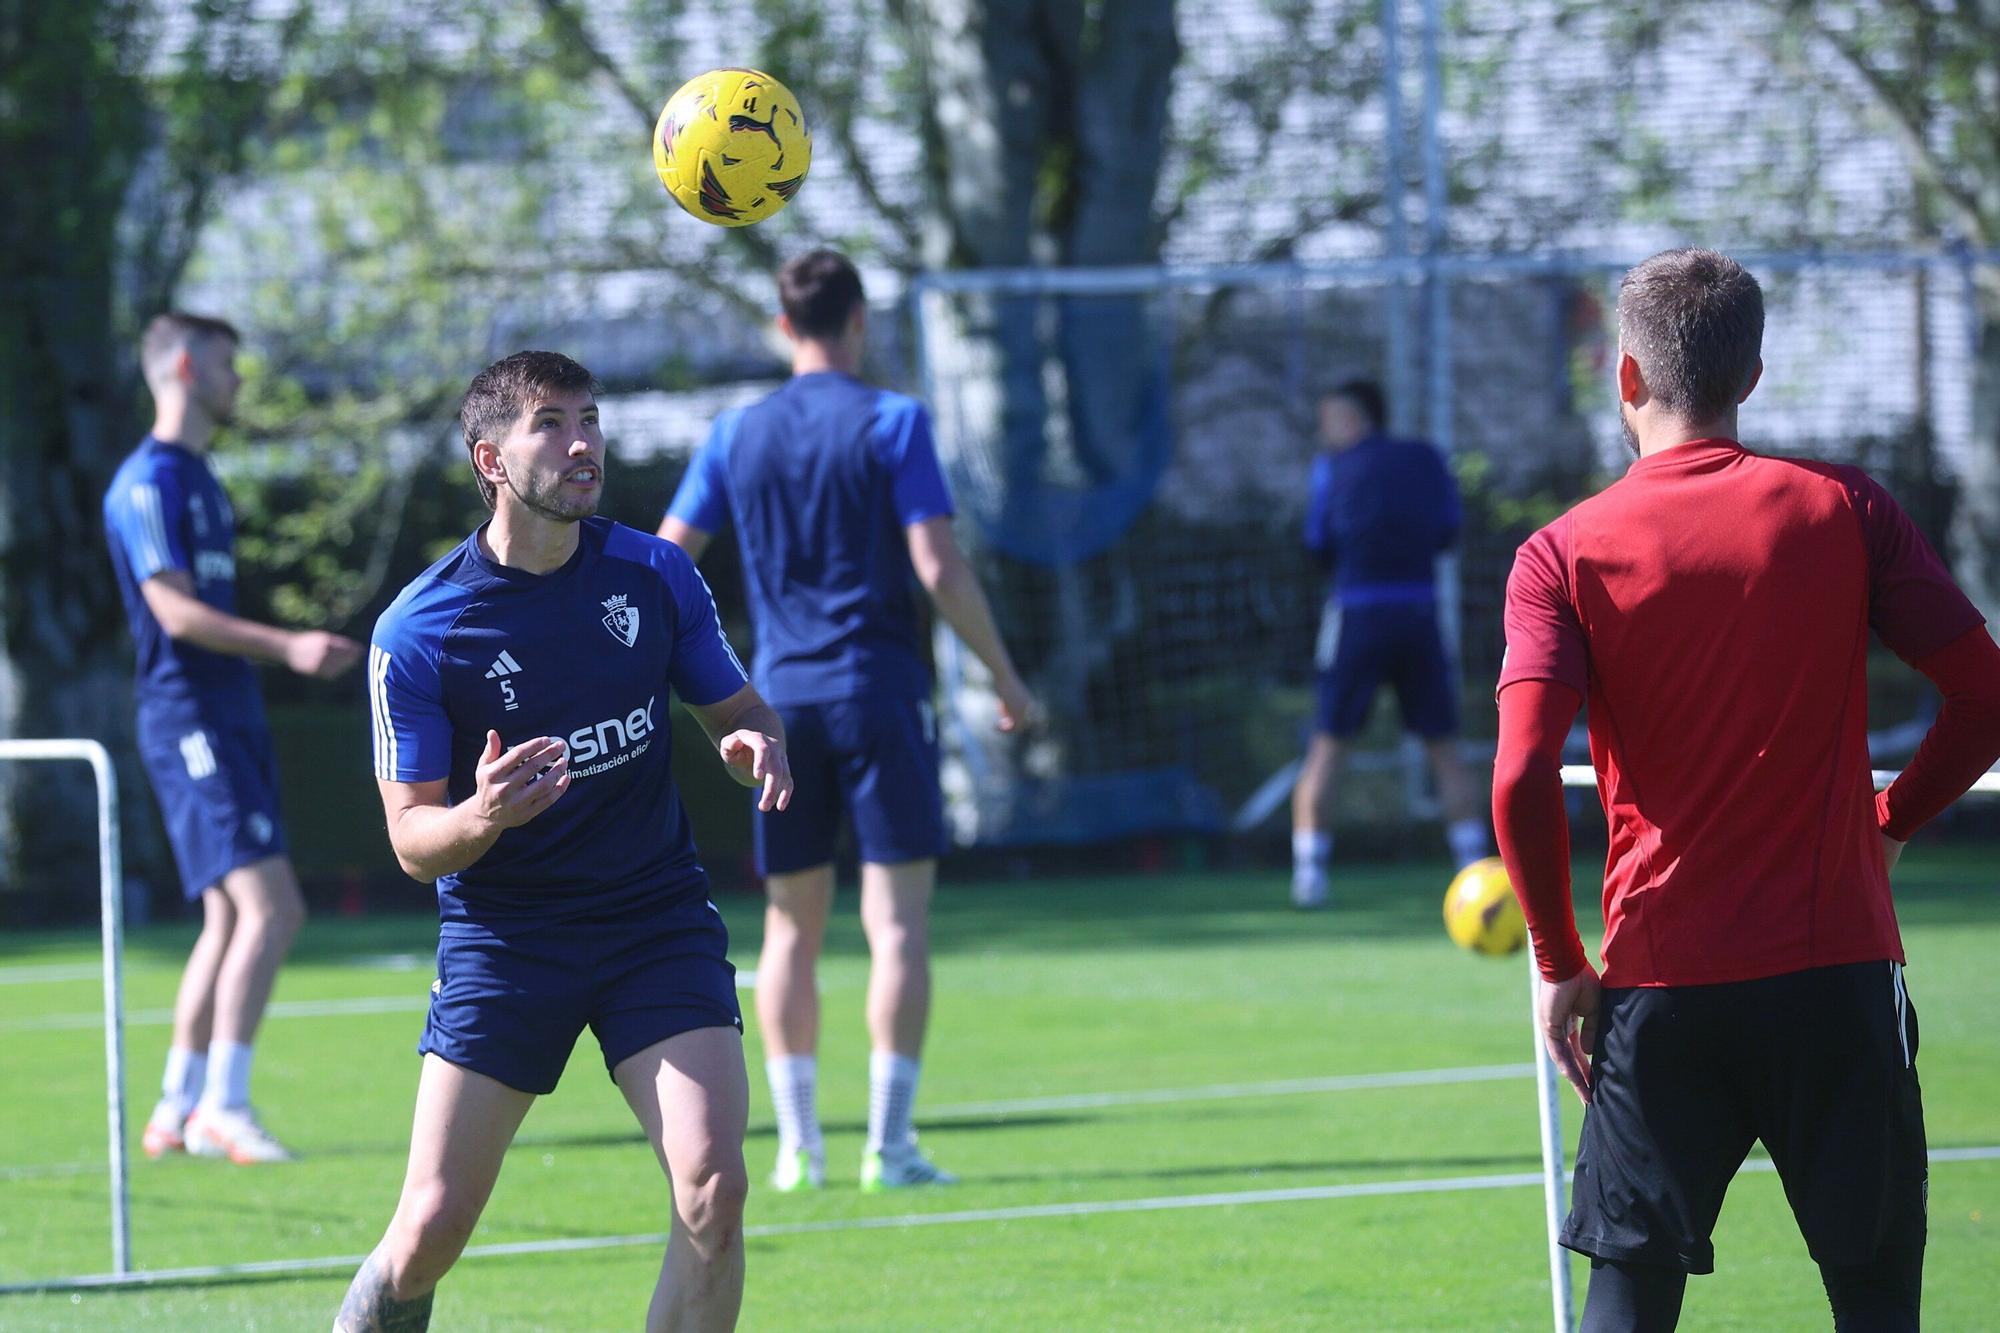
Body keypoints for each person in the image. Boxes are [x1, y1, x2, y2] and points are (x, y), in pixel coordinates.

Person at [1492, 247, 2000, 1332]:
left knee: (1625, 1308)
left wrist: (1554, 961)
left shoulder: (1558, 553)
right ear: (1752, 375)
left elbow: (1522, 769)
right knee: (1875, 1309)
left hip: (1659, 984)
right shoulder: (1842, 508)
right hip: (1835, 981)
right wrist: (1889, 821)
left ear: (1622, 376)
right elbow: (1984, 695)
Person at [337, 351, 790, 1332]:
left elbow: (737, 710)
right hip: (509, 941)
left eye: (589, 417)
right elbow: (415, 842)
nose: (583, 442)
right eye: (552, 424)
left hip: (652, 920)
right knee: (429, 1230)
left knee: (712, 1186)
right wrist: (486, 814)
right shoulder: (419, 630)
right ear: (490, 459)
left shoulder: (656, 572)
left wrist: (751, 739)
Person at [659, 249, 1033, 1193]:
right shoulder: (893, 419)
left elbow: (666, 560)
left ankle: (796, 1148)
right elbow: (940, 566)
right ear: (859, 322)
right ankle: (892, 1145)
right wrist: (1004, 675)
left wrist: (684, 676)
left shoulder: (734, 432)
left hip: (779, 706)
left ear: (784, 328)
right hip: (879, 695)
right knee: (897, 925)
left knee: (790, 928)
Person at [103, 312, 362, 1165]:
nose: (237, 380)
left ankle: (177, 1107)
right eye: (224, 364)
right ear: (182, 367)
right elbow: (173, 612)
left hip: (227, 715)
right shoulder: (149, 483)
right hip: (191, 718)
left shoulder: (202, 481)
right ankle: (226, 1104)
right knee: (273, 907)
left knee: (226, 917)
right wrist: (288, 645)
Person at [1291, 378, 1489, 908]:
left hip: (1356, 613)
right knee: (1444, 746)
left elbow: (1316, 542)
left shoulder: (1332, 469)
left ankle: (1309, 876)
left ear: (1353, 419)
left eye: (1329, 417)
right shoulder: (1426, 458)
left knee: (1327, 744)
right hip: (1419, 613)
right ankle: (1475, 874)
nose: (1323, 430)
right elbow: (1449, 531)